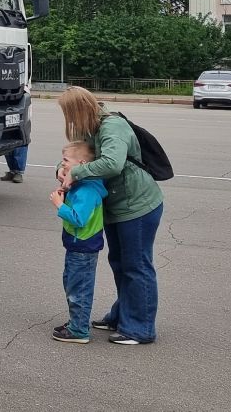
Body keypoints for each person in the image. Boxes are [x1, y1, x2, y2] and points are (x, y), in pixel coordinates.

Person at [57, 86, 164, 345]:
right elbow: (77, 157)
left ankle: (140, 328)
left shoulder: (112, 126)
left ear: (79, 110)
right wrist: (62, 169)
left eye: (69, 114)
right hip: (118, 207)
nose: (69, 121)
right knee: (120, 262)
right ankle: (122, 317)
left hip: (138, 206)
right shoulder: (90, 127)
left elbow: (112, 164)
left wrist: (76, 173)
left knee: (136, 266)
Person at [50, 141, 108, 344]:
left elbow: (79, 219)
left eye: (66, 160)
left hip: (83, 247)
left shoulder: (87, 190)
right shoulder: (81, 184)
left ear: (82, 164)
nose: (62, 164)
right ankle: (76, 322)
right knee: (72, 283)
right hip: (76, 245)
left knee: (79, 288)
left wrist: (60, 205)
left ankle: (79, 329)